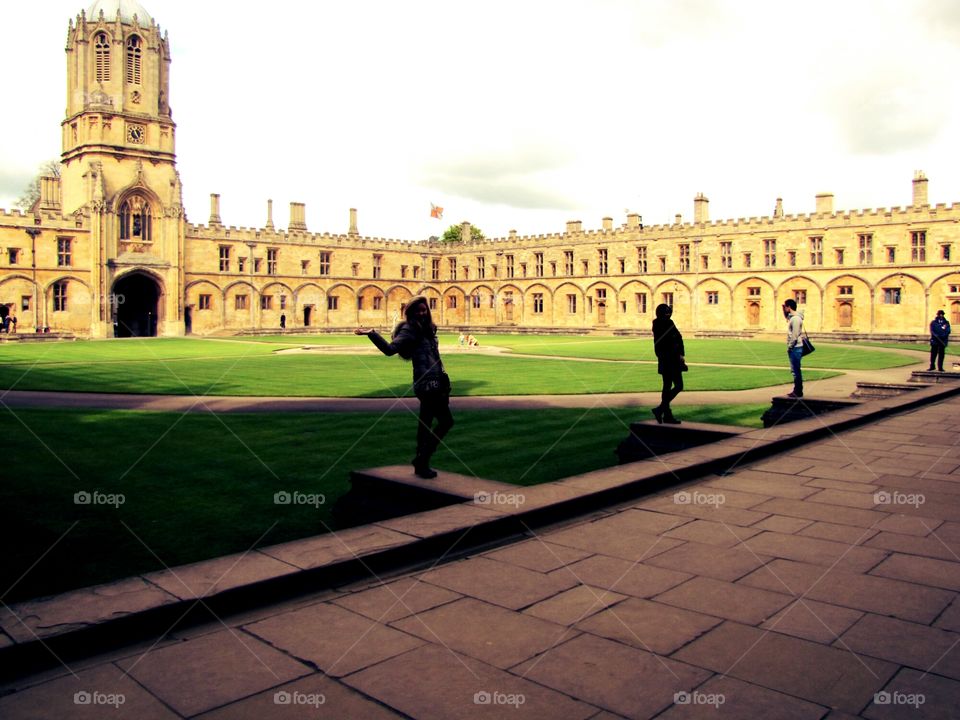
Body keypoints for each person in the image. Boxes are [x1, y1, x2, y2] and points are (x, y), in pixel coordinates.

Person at [356, 296, 453, 478]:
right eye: (418, 310)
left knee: (426, 423)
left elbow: (435, 356)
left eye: (424, 310)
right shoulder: (409, 330)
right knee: (445, 422)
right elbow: (390, 350)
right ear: (410, 313)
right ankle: (422, 459)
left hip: (437, 381)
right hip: (425, 383)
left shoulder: (428, 329)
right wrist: (371, 333)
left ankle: (421, 462)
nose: (422, 313)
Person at [651, 303, 685, 424]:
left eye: (669, 313)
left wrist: (681, 354)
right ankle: (662, 410)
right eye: (666, 313)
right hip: (668, 359)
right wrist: (678, 353)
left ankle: (665, 413)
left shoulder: (667, 323)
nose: (668, 315)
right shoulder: (659, 323)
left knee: (668, 387)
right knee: (678, 385)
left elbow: (679, 337)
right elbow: (671, 340)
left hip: (671, 358)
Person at [783, 299, 804, 398]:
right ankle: (797, 390)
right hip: (795, 347)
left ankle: (798, 391)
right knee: (794, 370)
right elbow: (786, 317)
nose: (785, 309)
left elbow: (795, 335)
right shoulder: (794, 318)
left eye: (786, 307)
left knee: (796, 370)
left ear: (789, 307)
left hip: (795, 347)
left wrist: (790, 346)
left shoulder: (795, 319)